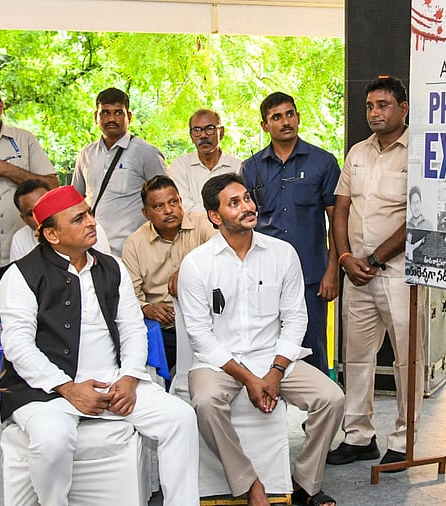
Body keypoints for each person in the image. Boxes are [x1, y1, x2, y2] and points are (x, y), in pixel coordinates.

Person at [0, 185, 199, 506]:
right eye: (79, 219)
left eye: (89, 213)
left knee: (181, 418)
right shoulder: (21, 275)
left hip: (114, 382)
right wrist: (68, 388)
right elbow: (18, 346)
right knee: (52, 441)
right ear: (52, 235)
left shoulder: (111, 266)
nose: (91, 221)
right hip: (47, 392)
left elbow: (133, 329)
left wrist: (130, 378)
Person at [178, 173, 343, 506]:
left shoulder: (282, 254)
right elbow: (200, 336)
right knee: (205, 403)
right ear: (215, 216)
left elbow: (296, 318)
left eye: (247, 199)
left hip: (273, 357)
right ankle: (250, 484)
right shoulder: (196, 265)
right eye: (234, 203)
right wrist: (250, 379)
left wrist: (274, 372)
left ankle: (306, 483)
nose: (247, 207)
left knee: (332, 397)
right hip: (219, 362)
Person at [328, 76, 423, 470]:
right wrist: (346, 257)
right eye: (370, 106)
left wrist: (376, 259)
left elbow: (420, 215)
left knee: (406, 358)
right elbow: (341, 207)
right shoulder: (357, 153)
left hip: (398, 273)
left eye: (383, 105)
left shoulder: (418, 151)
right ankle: (358, 436)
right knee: (357, 358)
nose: (375, 113)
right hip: (356, 273)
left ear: (403, 109)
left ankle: (405, 439)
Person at [240, 92, 340, 375]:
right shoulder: (251, 168)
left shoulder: (323, 163)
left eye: (290, 114)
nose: (285, 121)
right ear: (264, 126)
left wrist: (333, 270)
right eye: (276, 117)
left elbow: (337, 221)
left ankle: (318, 419)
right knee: (264, 353)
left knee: (314, 351)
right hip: (263, 277)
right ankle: (271, 418)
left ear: (297, 117)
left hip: (311, 277)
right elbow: (244, 224)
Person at [0, 82, 58, 315]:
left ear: (1, 107)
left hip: (23, 254)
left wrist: (7, 170)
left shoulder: (24, 140)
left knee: (24, 318)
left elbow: (52, 186)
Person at [121, 175, 216, 380]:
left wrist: (188, 269)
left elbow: (224, 256)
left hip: (208, 321)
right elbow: (129, 297)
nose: (169, 210)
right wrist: (147, 308)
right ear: (146, 213)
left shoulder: (203, 225)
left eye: (173, 202)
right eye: (159, 206)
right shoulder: (134, 244)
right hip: (165, 327)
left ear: (181, 202)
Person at [72, 87, 167, 256]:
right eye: (105, 113)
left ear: (128, 117)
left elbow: (165, 200)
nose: (111, 119)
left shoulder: (146, 153)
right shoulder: (86, 154)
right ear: (96, 117)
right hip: (91, 250)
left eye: (118, 113)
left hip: (132, 252)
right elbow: (76, 199)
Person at [10, 179, 110, 261]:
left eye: (46, 205)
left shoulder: (90, 229)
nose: (41, 215)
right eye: (32, 213)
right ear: (24, 219)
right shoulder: (19, 240)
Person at [168, 109, 242, 214]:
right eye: (197, 130)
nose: (203, 135)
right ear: (191, 136)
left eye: (210, 128)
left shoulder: (238, 166)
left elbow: (241, 204)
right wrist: (222, 214)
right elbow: (182, 204)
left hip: (231, 229)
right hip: (191, 228)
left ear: (221, 132)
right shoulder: (180, 165)